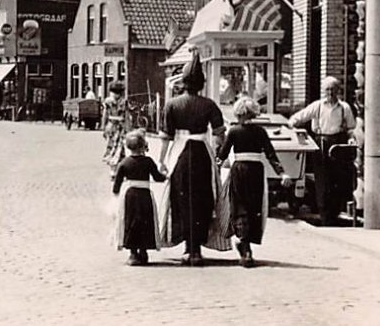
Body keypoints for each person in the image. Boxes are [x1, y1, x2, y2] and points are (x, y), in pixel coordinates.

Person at [158, 51, 230, 265]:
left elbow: (166, 137)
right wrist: (220, 156)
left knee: (180, 199)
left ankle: (187, 247)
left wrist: (162, 161)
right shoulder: (209, 105)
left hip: (180, 154)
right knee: (203, 199)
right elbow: (219, 135)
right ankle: (197, 248)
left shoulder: (172, 105)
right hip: (202, 155)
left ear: (183, 82)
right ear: (201, 83)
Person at [216, 97, 290, 267]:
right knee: (253, 207)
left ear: (239, 113)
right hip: (256, 171)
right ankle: (246, 246)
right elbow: (271, 155)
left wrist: (216, 166)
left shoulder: (233, 131)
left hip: (239, 170)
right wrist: (282, 173)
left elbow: (222, 154)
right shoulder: (261, 132)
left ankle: (244, 244)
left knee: (240, 206)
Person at [288, 76, 357, 226]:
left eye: (333, 89)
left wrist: (351, 138)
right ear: (323, 91)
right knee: (323, 182)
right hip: (321, 144)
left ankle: (335, 214)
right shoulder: (317, 106)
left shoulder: (344, 108)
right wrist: (296, 131)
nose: (330, 93)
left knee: (337, 180)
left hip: (338, 144)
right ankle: (325, 215)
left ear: (338, 91)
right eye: (327, 89)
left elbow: (351, 128)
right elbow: (296, 119)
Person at [112, 129, 167, 266]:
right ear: (143, 145)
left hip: (130, 196)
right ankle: (144, 250)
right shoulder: (148, 161)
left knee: (130, 222)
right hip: (145, 194)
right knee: (145, 221)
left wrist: (116, 193)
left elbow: (117, 184)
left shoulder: (124, 163)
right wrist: (165, 175)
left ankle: (133, 253)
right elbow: (158, 177)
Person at [102, 81, 127, 176]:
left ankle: (115, 170)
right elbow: (126, 116)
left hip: (113, 126)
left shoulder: (108, 101)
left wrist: (103, 127)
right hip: (117, 126)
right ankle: (115, 169)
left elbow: (105, 115)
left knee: (116, 147)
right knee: (116, 147)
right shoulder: (122, 101)